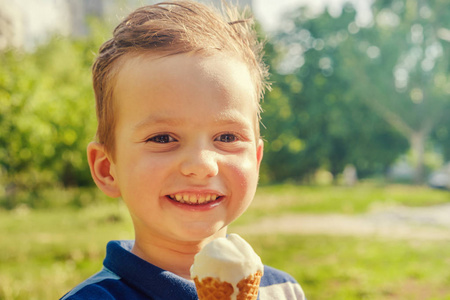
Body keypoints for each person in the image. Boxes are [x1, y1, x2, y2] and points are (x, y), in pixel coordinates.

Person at [60, 1, 305, 299]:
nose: (201, 165)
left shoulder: (284, 291)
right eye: (163, 138)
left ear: (255, 159)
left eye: (227, 137)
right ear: (106, 169)